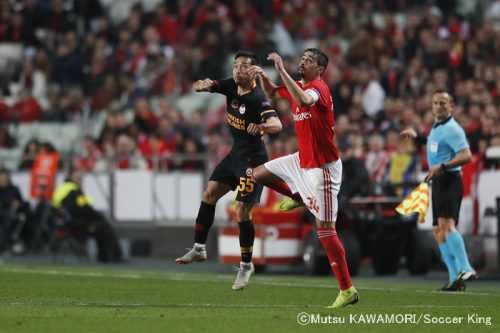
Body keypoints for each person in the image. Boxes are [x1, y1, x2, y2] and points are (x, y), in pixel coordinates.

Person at [248, 49, 358, 309]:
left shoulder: (319, 88)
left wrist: (282, 69)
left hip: (324, 169)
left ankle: (347, 289)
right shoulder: (297, 85)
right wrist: (265, 76)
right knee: (258, 173)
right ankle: (298, 196)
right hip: (302, 160)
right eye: (303, 58)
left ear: (319, 69)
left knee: (325, 230)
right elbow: (274, 93)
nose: (303, 61)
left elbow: (305, 100)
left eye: (309, 60)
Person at [175, 51, 282, 291]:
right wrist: (201, 85)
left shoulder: (257, 98)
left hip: (252, 163)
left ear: (254, 71)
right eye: (236, 65)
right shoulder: (231, 85)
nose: (238, 70)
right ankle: (199, 249)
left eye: (244, 66)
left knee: (242, 212)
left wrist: (263, 125)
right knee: (209, 194)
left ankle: (246, 265)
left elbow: (278, 124)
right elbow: (203, 84)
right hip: (234, 156)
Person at [400, 90, 477, 291]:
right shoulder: (438, 127)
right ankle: (454, 278)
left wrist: (442, 167)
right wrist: (418, 138)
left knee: (447, 225)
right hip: (439, 182)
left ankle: (466, 268)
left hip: (450, 180)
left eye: (443, 103)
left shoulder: (453, 129)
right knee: (437, 231)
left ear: (452, 106)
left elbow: (467, 156)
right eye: (436, 102)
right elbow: (436, 145)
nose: (439, 106)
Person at [51, 168, 123, 262]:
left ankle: (105, 256)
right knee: (103, 226)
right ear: (71, 176)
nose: (80, 177)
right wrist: (98, 215)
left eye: (80, 175)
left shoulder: (64, 188)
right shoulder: (73, 191)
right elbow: (82, 209)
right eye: (77, 175)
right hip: (73, 224)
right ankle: (115, 256)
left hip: (65, 222)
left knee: (100, 226)